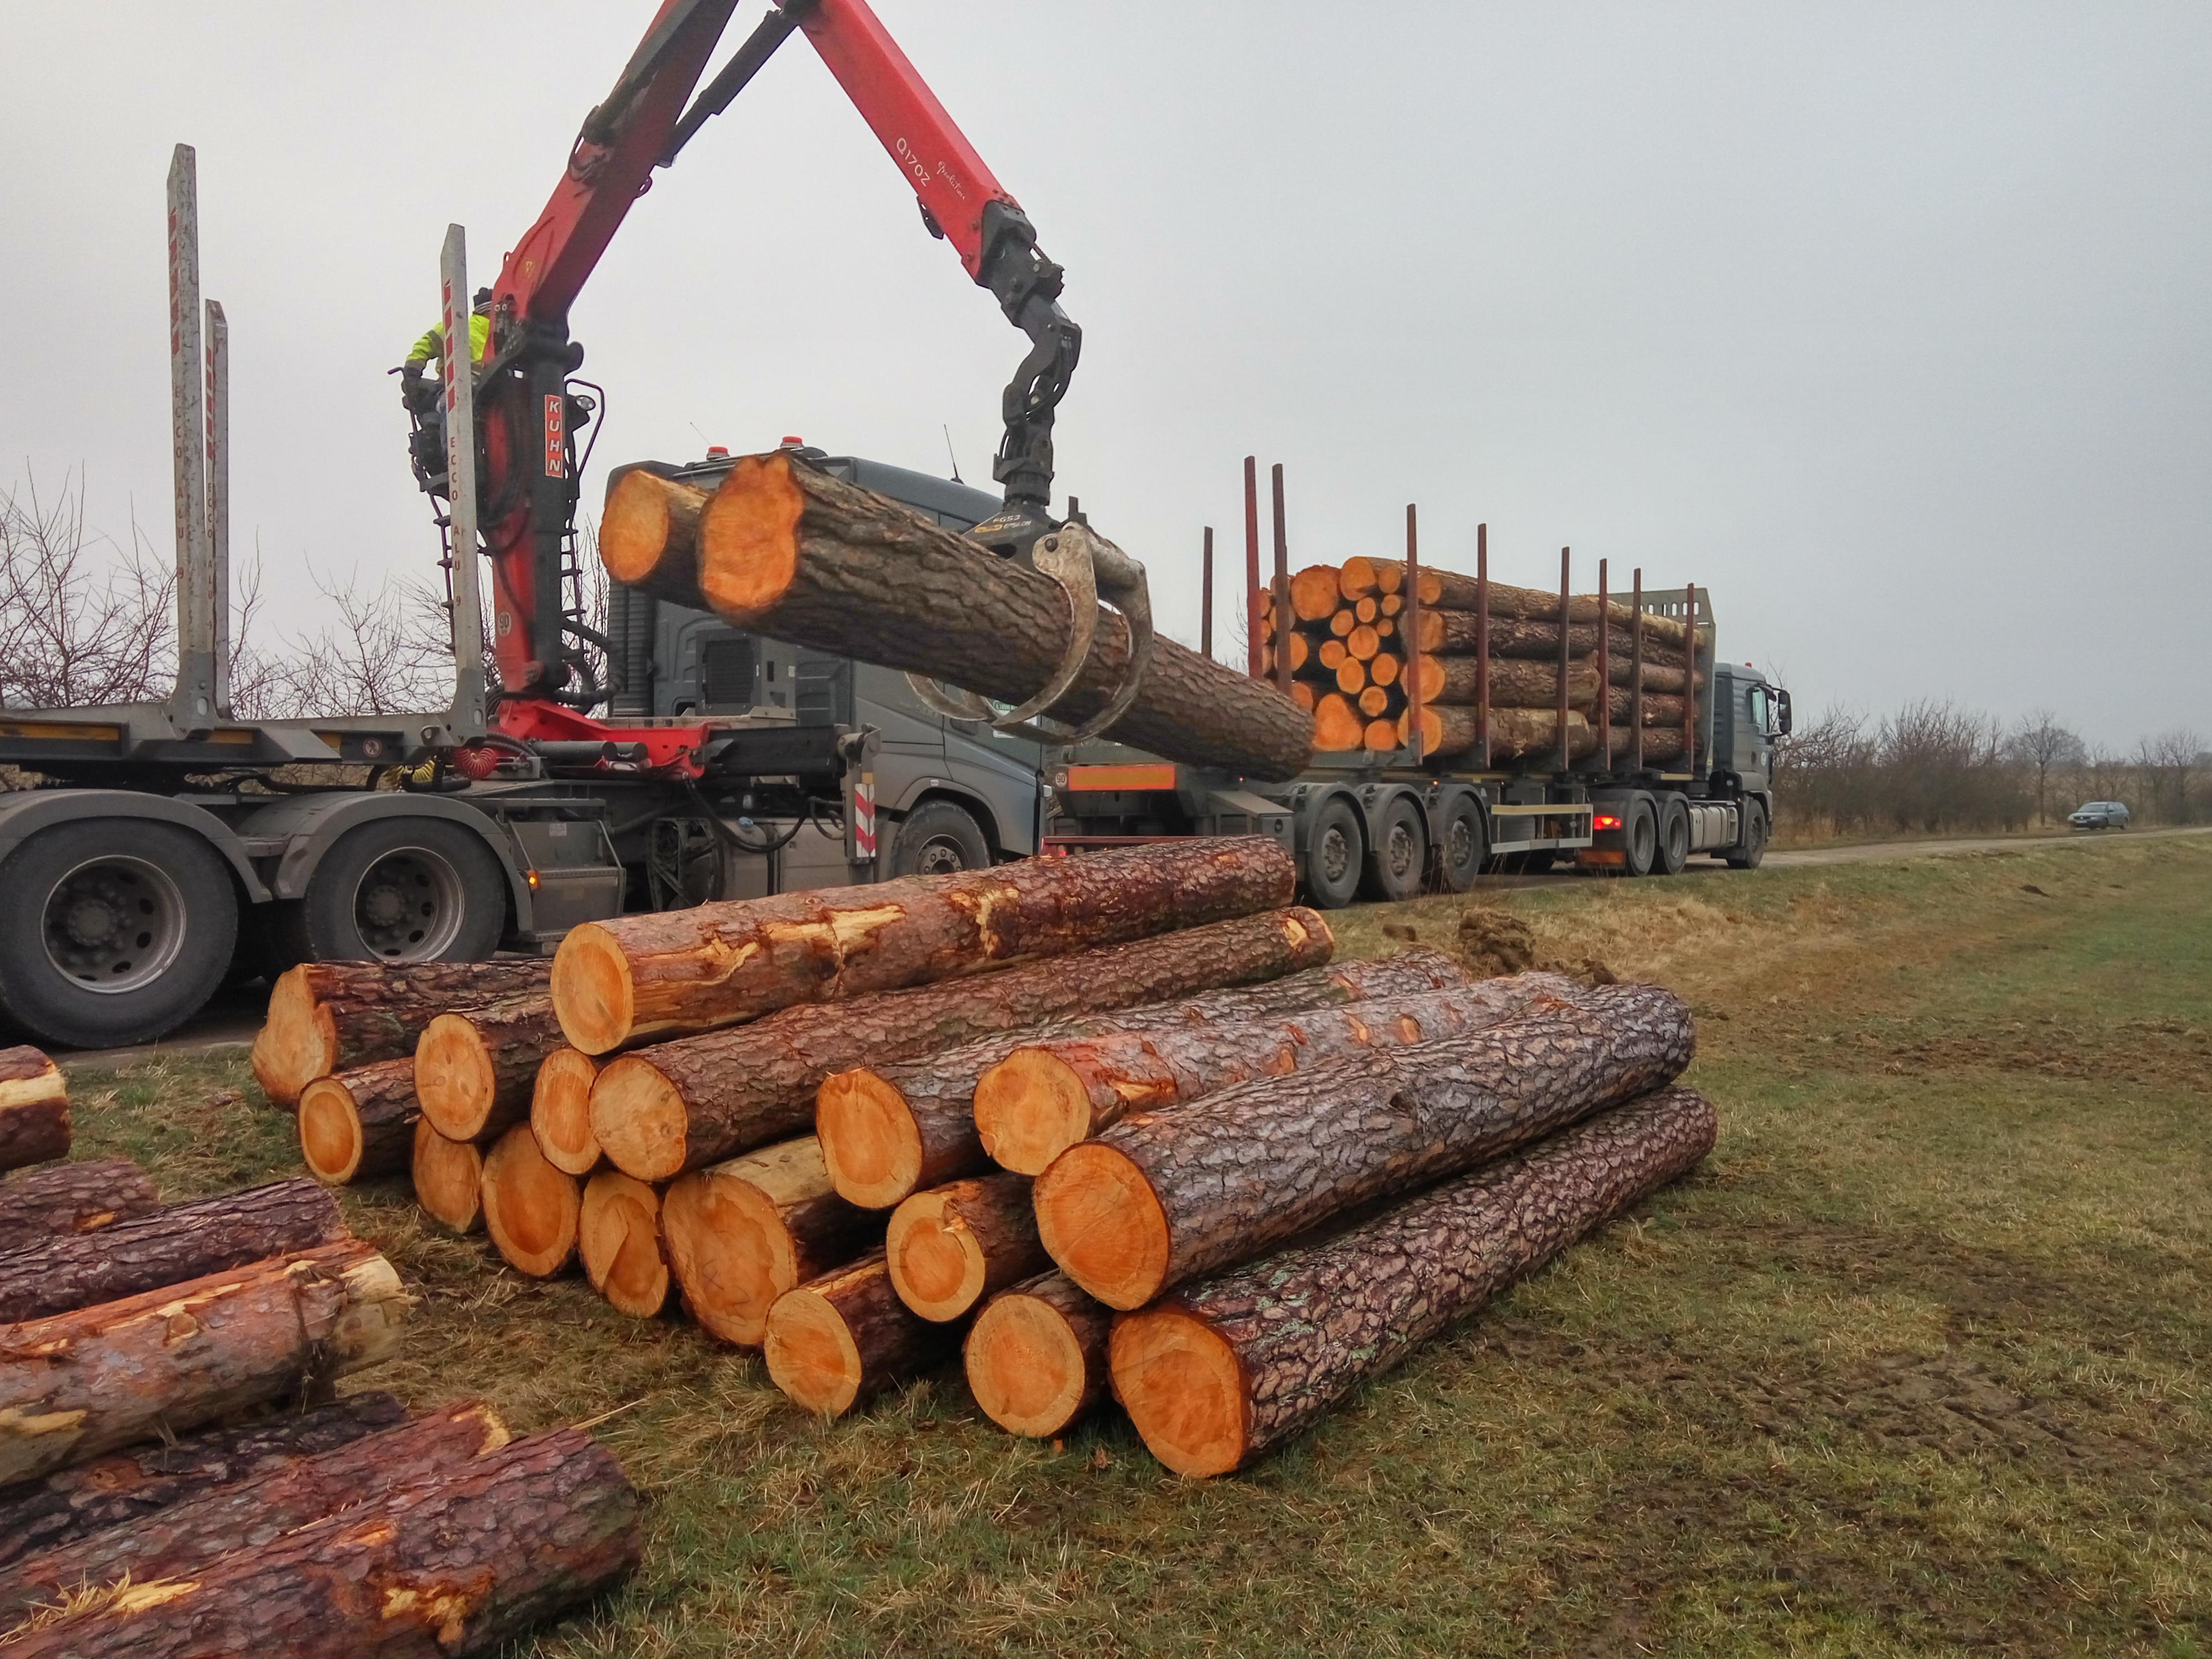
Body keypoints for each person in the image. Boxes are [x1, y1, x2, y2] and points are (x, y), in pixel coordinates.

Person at [398, 288, 492, 494]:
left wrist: (413, 371)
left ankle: (459, 461)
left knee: (451, 407)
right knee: (451, 405)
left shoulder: (462, 326)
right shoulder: (490, 330)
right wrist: (413, 372)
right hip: (469, 388)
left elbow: (426, 344)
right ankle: (458, 460)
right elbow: (429, 344)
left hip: (481, 389)